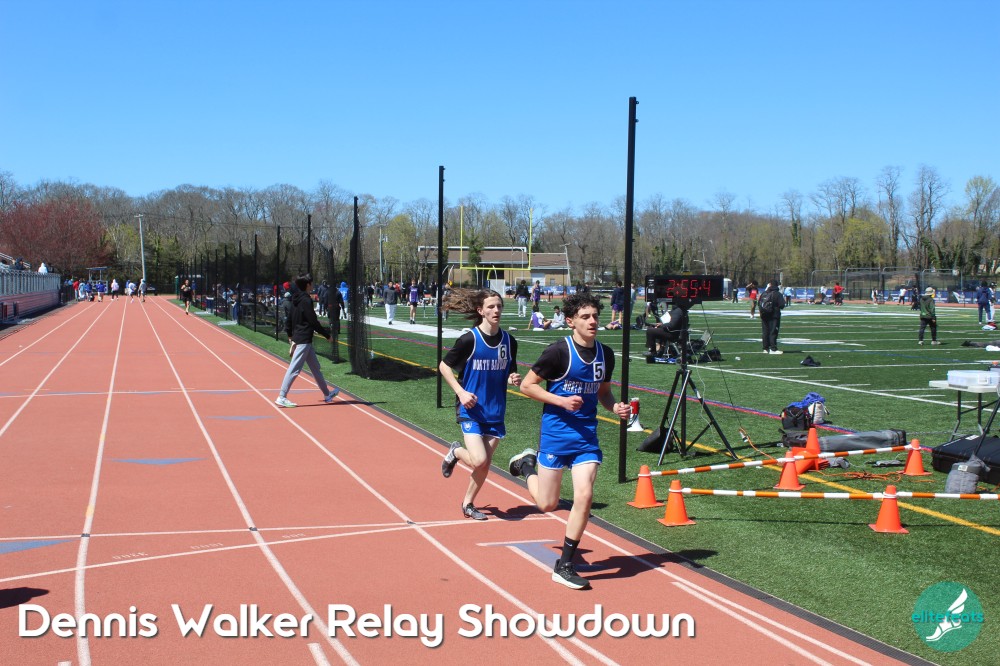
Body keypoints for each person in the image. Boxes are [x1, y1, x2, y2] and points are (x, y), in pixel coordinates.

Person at [508, 293, 631, 590]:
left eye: (595, 316)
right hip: (555, 434)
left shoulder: (606, 354)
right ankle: (526, 465)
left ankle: (564, 564)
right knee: (547, 504)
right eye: (585, 317)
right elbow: (527, 386)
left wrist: (615, 407)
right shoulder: (558, 352)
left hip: (586, 436)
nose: (592, 321)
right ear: (571, 321)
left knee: (584, 496)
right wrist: (561, 401)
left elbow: (603, 392)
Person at [439, 288, 521, 521]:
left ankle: (468, 503)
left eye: (499, 306)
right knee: (480, 460)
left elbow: (509, 371)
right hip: (471, 409)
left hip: (495, 411)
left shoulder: (509, 341)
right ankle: (456, 451)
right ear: (480, 310)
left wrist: (513, 378)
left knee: (484, 465)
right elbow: (444, 366)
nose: (496, 310)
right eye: (491, 307)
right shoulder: (469, 340)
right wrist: (461, 392)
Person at [275, 273, 340, 408]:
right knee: (294, 369)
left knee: (315, 368)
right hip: (303, 339)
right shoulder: (306, 300)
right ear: (308, 285)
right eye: (311, 283)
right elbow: (313, 321)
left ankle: (327, 394)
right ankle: (282, 396)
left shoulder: (295, 299)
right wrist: (327, 335)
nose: (313, 285)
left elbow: (289, 320)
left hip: (304, 339)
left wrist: (290, 334)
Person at [758, 282, 786, 354]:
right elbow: (782, 305)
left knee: (765, 332)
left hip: (764, 315)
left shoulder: (764, 293)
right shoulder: (778, 294)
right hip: (774, 315)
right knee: (773, 332)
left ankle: (765, 348)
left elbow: (759, 304)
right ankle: (773, 349)